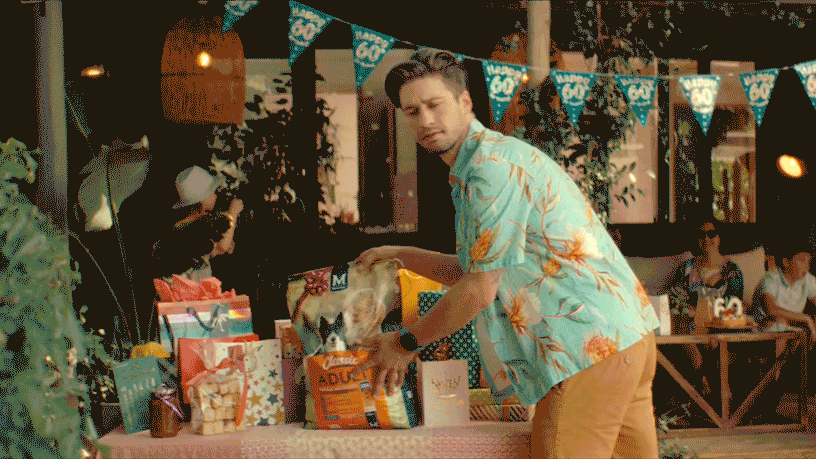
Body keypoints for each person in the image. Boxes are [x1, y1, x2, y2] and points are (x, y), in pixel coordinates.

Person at [349, 49, 660, 458]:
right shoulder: (483, 163)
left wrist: (406, 343)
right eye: (412, 111)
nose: (424, 120)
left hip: (587, 347)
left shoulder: (489, 169)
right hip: (625, 338)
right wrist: (400, 254)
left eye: (434, 105)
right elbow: (480, 271)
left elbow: (480, 290)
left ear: (465, 102)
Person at [667, 220, 744, 393]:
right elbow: (675, 302)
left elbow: (734, 306)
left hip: (720, 325)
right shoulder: (687, 268)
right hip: (690, 327)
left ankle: (708, 385)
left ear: (719, 238)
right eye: (701, 235)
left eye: (711, 234)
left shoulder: (732, 271)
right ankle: (700, 371)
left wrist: (705, 314)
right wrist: (696, 313)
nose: (706, 238)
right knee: (679, 323)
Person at [152, 165, 244, 282]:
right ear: (202, 198)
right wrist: (233, 213)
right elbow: (221, 248)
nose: (215, 195)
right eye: (212, 191)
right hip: (191, 286)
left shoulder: (187, 221)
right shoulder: (197, 224)